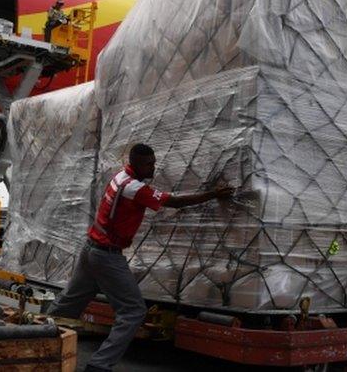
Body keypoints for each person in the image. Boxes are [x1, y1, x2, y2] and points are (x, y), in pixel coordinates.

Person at [47, 143, 234, 372]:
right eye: (149, 164)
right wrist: (213, 194)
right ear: (136, 163)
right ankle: (99, 365)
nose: (153, 168)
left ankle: (38, 340)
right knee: (133, 311)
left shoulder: (120, 176)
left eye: (154, 163)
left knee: (68, 303)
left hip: (90, 250)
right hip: (107, 256)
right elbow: (173, 202)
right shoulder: (134, 188)